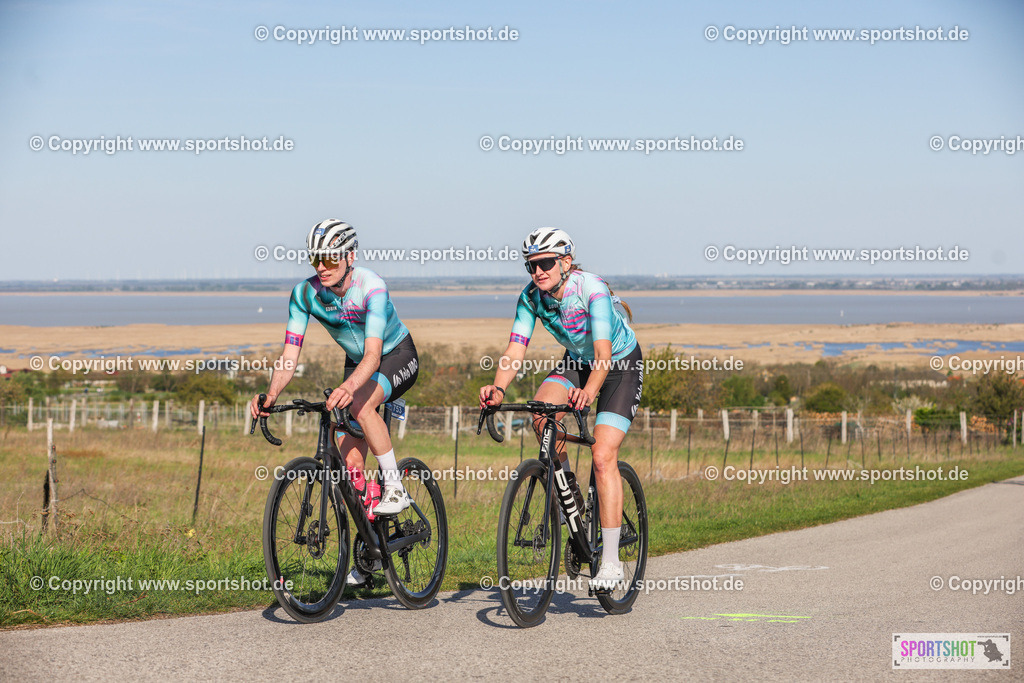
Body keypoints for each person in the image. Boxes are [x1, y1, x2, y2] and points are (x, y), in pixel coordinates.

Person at [251, 219, 419, 586]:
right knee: (349, 466)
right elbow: (289, 355)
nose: (322, 268)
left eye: (329, 259)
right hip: (357, 365)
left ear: (349, 256)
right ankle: (369, 550)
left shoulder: (371, 286)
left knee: (359, 405)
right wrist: (271, 393)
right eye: (315, 260)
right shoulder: (304, 295)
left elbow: (373, 355)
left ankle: (395, 487)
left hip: (395, 355)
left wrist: (351, 388)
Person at [479, 228, 643, 590]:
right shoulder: (531, 298)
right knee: (541, 414)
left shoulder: (591, 290)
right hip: (578, 361)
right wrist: (498, 387)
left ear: (566, 262)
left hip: (618, 364)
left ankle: (612, 561)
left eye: (545, 263)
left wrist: (588, 392)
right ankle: (572, 497)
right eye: (531, 265)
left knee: (602, 456)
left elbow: (602, 356)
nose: (538, 271)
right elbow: (515, 350)